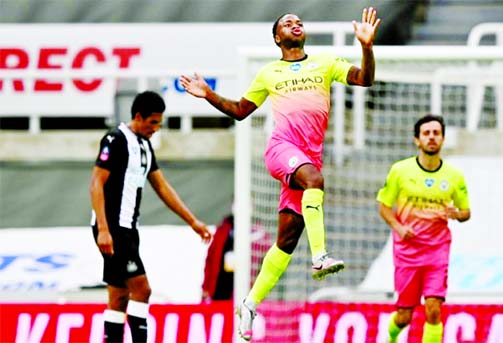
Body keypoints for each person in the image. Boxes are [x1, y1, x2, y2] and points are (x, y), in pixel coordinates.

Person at [180, 7, 381, 341]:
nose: (295, 23)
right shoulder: (268, 72)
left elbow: (366, 79)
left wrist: (367, 47)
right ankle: (320, 256)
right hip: (282, 151)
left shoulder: (326, 63)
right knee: (316, 181)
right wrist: (209, 95)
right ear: (277, 37)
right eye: (287, 22)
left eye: (299, 21)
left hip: (307, 159)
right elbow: (241, 111)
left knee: (286, 241)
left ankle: (249, 303)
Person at [89, 90, 212, 343]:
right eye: (153, 122)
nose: (156, 128)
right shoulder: (115, 139)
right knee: (142, 290)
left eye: (159, 123)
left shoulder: (144, 146)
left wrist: (193, 221)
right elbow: (96, 183)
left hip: (128, 229)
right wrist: (103, 228)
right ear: (138, 116)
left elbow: (162, 186)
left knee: (119, 297)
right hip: (113, 228)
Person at [376, 114, 471, 343]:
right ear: (417, 140)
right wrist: (398, 227)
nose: (431, 137)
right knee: (404, 316)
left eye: (436, 133)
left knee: (433, 308)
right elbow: (384, 206)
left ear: (443, 139)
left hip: (437, 249)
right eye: (426, 133)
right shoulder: (400, 171)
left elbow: (466, 212)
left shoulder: (454, 176)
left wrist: (457, 215)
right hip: (407, 251)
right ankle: (388, 338)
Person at [202, 213, 235, 302]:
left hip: (239, 285)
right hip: (220, 284)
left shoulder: (255, 230)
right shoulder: (222, 229)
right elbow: (210, 258)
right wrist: (206, 286)